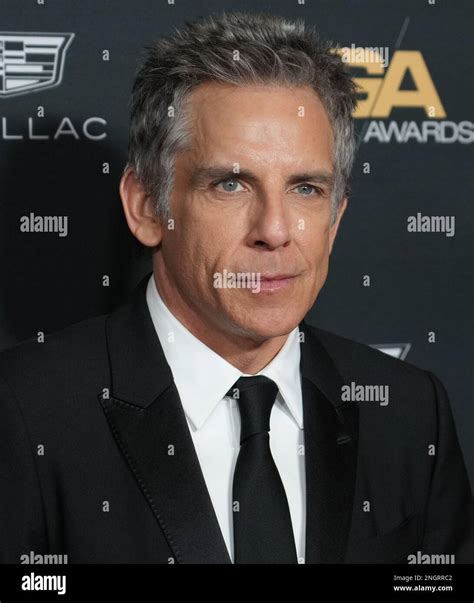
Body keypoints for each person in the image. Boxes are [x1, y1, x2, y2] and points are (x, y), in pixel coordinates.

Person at [0, 11, 472, 564]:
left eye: (306, 189)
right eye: (230, 183)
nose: (274, 230)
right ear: (147, 206)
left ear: (336, 220)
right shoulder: (25, 411)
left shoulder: (410, 412)